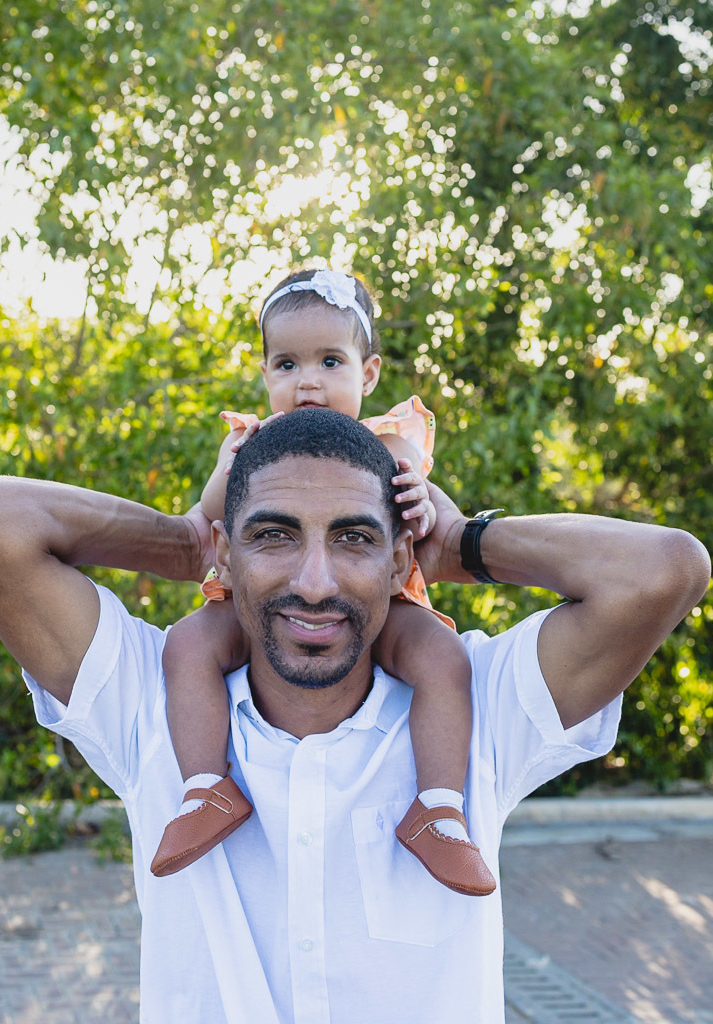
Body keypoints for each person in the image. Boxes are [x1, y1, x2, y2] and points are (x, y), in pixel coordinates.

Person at [0, 407, 710, 1023]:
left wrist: (460, 543)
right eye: (273, 535)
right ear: (228, 555)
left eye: (354, 538)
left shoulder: (477, 702)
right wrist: (182, 543)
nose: (313, 579)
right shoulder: (151, 701)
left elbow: (663, 569)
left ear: (399, 558)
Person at [152, 268, 492, 896]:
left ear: (367, 373)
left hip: (382, 601)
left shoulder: (391, 441)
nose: (306, 380)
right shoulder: (253, 440)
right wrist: (232, 466)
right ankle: (204, 787)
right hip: (255, 602)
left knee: (443, 658)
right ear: (264, 375)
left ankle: (440, 807)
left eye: (329, 361)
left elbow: (433, 512)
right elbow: (210, 509)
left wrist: (422, 496)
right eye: (286, 364)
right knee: (186, 646)